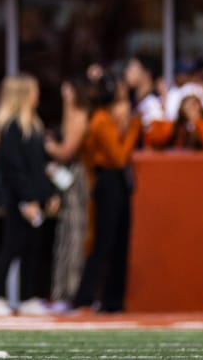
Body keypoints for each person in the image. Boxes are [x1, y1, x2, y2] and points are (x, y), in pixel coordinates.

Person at [0, 74, 59, 317]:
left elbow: (41, 167)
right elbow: (13, 169)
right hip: (19, 200)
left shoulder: (34, 126)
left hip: (35, 199)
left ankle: (28, 296)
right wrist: (25, 199)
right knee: (12, 247)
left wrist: (50, 194)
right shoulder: (11, 128)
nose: (38, 95)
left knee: (32, 248)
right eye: (34, 91)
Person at [73, 74, 141, 313]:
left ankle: (114, 300)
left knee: (121, 241)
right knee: (103, 241)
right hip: (107, 180)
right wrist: (132, 127)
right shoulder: (101, 120)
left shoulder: (112, 120)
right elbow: (119, 156)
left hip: (119, 182)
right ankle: (85, 297)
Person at [44, 78, 90, 313]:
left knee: (73, 234)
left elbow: (68, 150)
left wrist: (48, 146)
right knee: (65, 235)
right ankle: (62, 291)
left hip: (77, 178)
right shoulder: (70, 112)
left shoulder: (79, 114)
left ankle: (70, 292)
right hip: (69, 178)